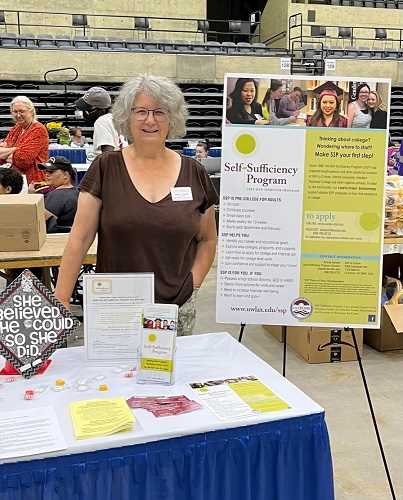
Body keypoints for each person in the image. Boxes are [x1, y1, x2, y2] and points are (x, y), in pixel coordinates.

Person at [55, 75, 218, 336]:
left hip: (174, 309)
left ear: (172, 118)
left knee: (174, 376)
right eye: (140, 111)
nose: (150, 120)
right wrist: (61, 297)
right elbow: (80, 238)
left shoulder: (194, 172)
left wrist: (193, 284)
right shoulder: (106, 167)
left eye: (159, 112)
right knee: (112, 376)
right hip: (116, 307)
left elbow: (208, 240)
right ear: (126, 117)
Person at [0, 96, 48, 184]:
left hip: (34, 181)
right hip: (14, 180)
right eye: (15, 112)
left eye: (22, 111)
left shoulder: (38, 129)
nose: (18, 115)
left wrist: (7, 152)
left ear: (31, 111)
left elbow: (23, 160)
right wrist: (15, 150)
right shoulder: (16, 128)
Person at [75, 87, 126, 154]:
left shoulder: (102, 121)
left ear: (98, 109)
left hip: (114, 162)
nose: (85, 114)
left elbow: (107, 154)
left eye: (86, 110)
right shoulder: (115, 118)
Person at [37, 156, 78, 233]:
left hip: (56, 240)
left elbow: (39, 222)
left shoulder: (57, 195)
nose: (46, 174)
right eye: (46, 171)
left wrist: (32, 198)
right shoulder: (78, 192)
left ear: (66, 175)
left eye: (51, 171)